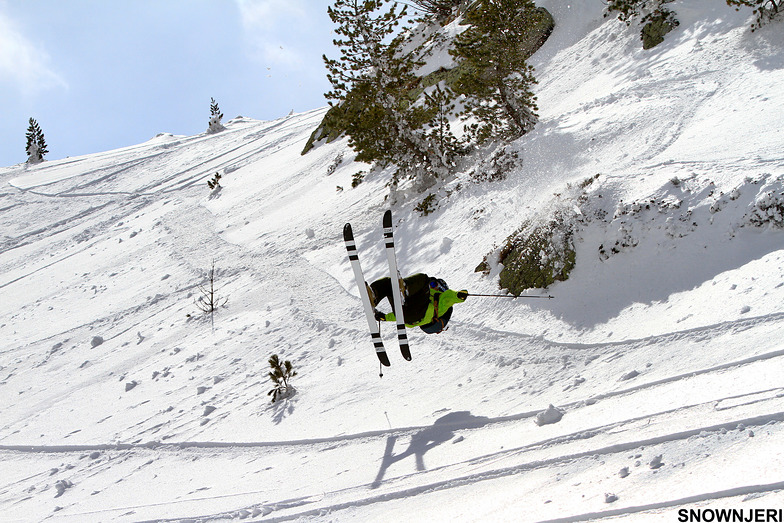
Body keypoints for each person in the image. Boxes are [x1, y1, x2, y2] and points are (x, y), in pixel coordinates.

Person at [368, 273, 468, 334]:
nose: (431, 285)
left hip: (418, 311)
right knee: (389, 283)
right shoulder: (424, 297)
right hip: (406, 316)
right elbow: (399, 315)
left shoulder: (441, 300)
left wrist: (459, 296)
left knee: (424, 278)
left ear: (442, 288)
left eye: (434, 284)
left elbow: (450, 297)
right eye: (432, 283)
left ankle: (404, 287)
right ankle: (374, 296)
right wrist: (384, 317)